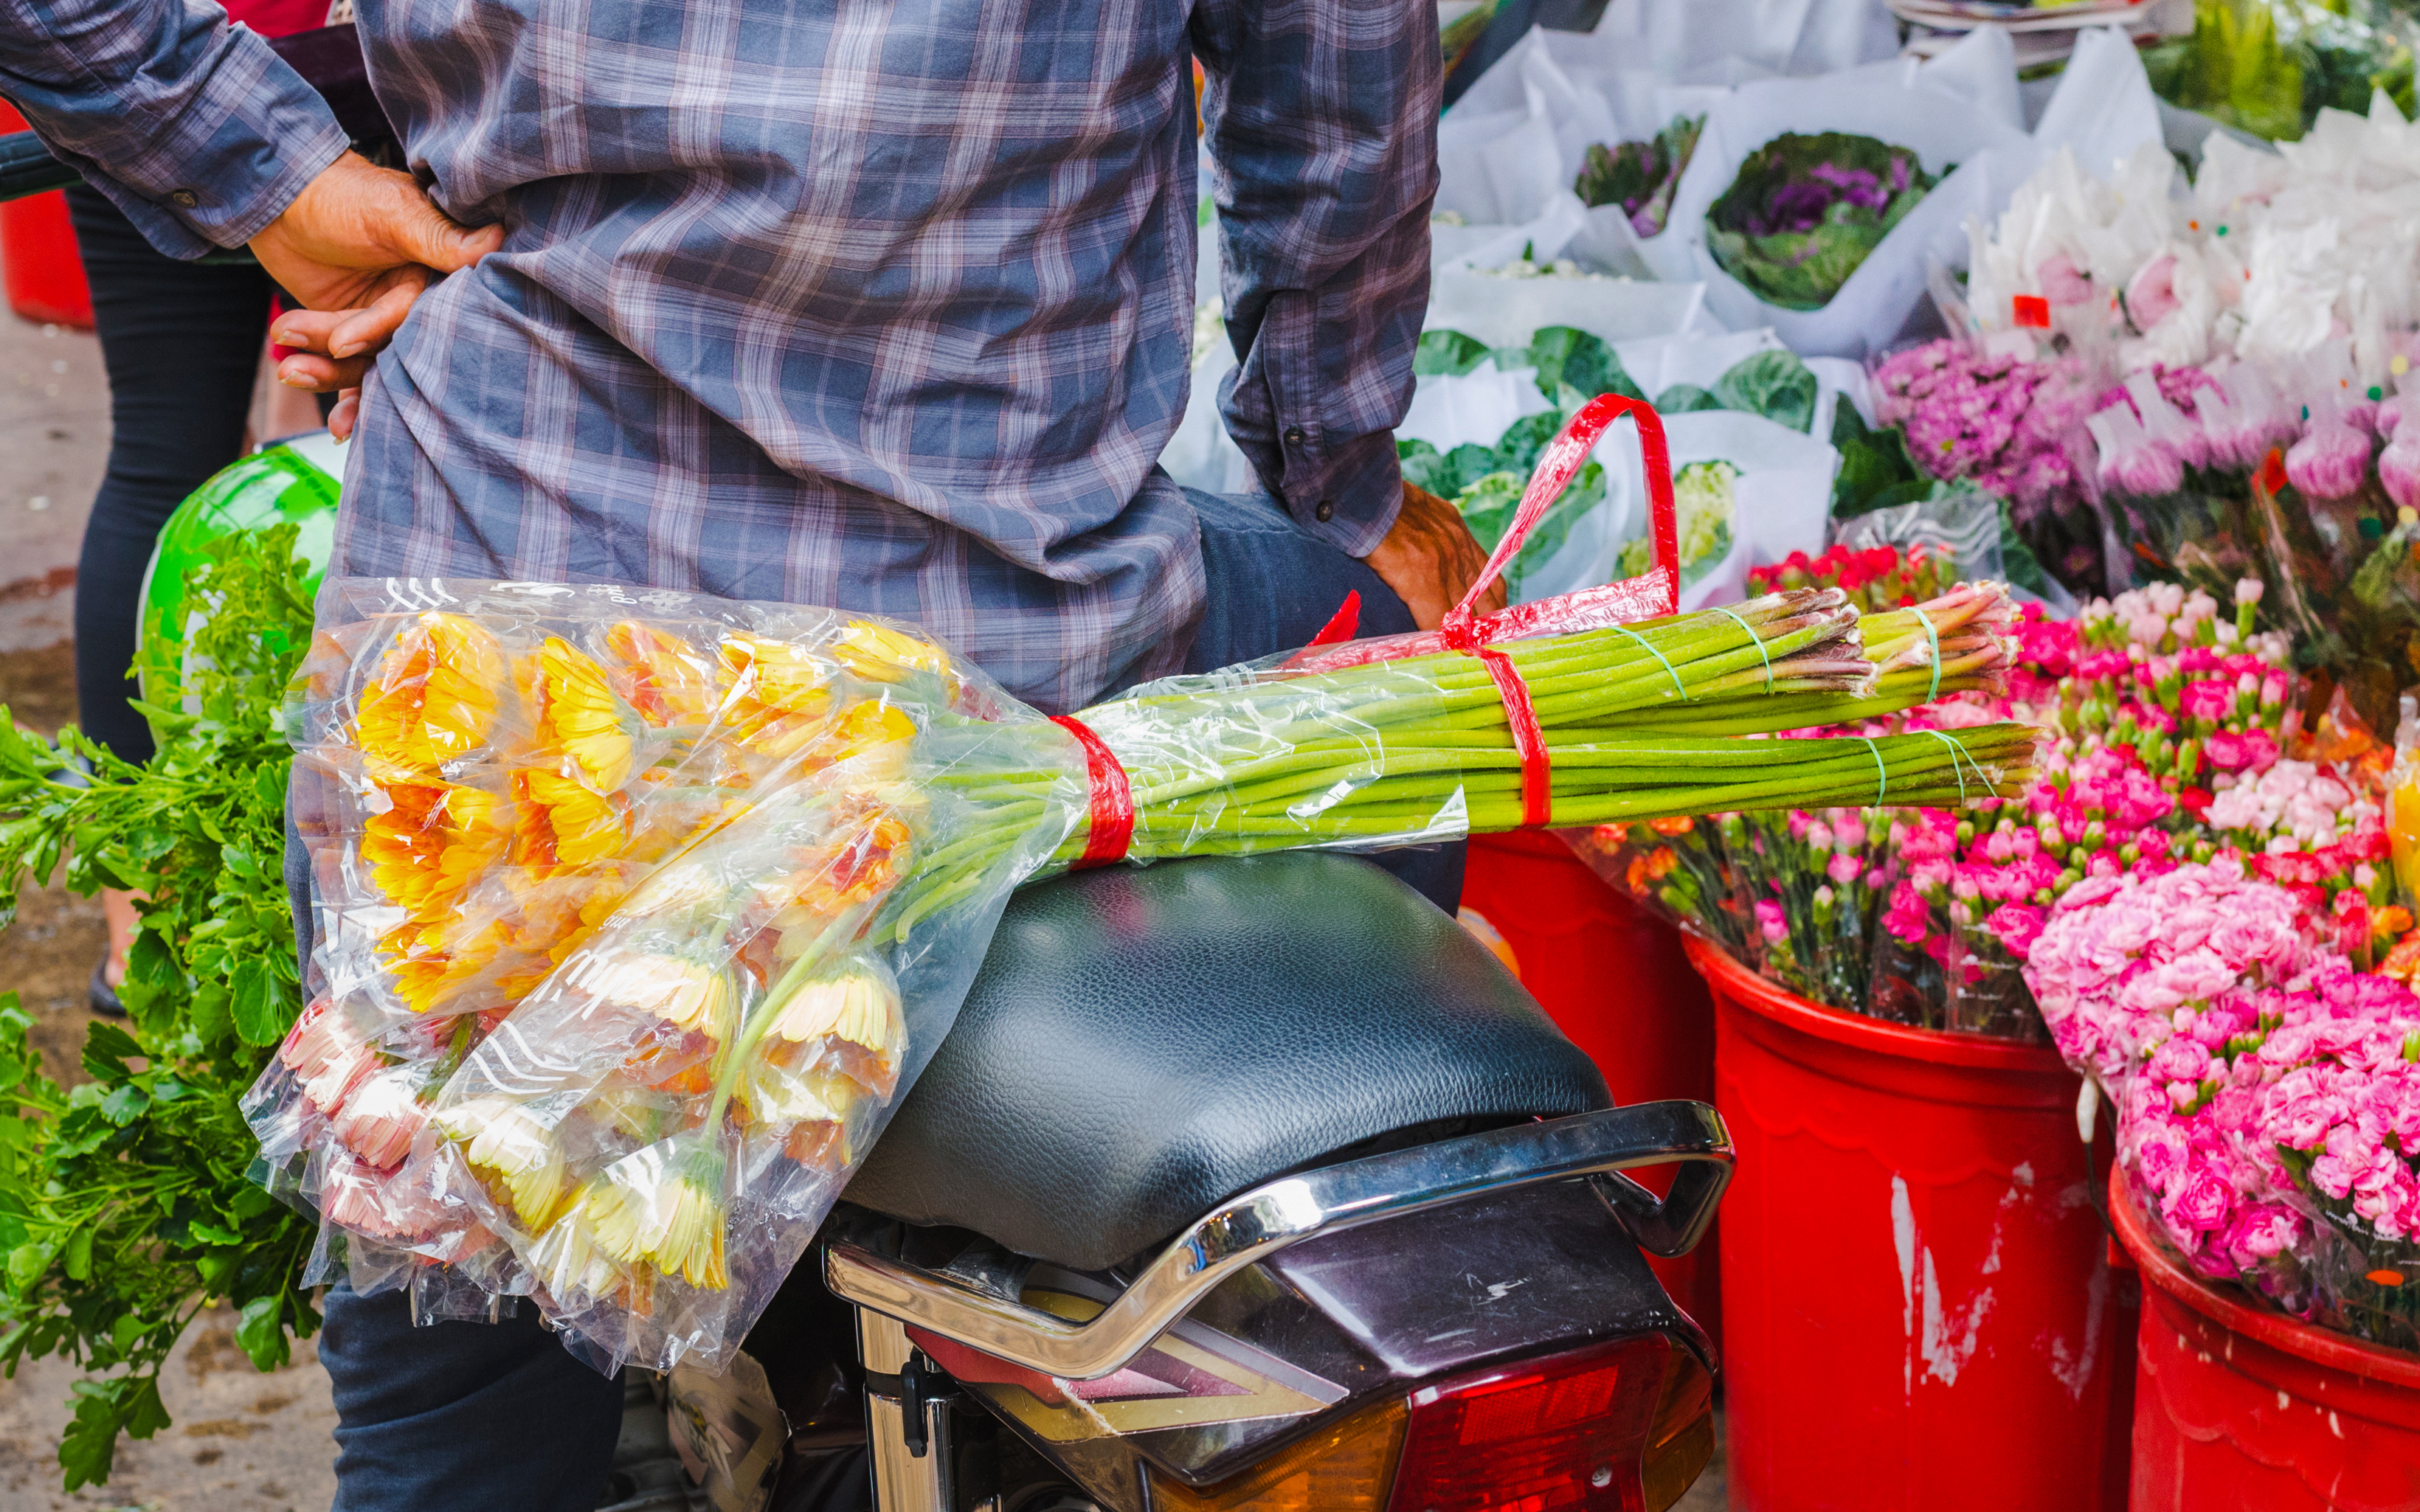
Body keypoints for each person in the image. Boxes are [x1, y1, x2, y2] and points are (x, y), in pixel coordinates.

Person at [1, 0, 1496, 1506]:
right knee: (1360, 638)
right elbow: (1338, 110)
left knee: (448, 1430)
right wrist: (1334, 467)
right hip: (1011, 661)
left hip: (507, 682)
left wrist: (272, 174)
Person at [65, 0, 341, 1018]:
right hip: (333, 64)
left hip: (122, 48)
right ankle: (347, 914)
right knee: (367, 449)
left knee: (156, 453)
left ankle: (138, 940)